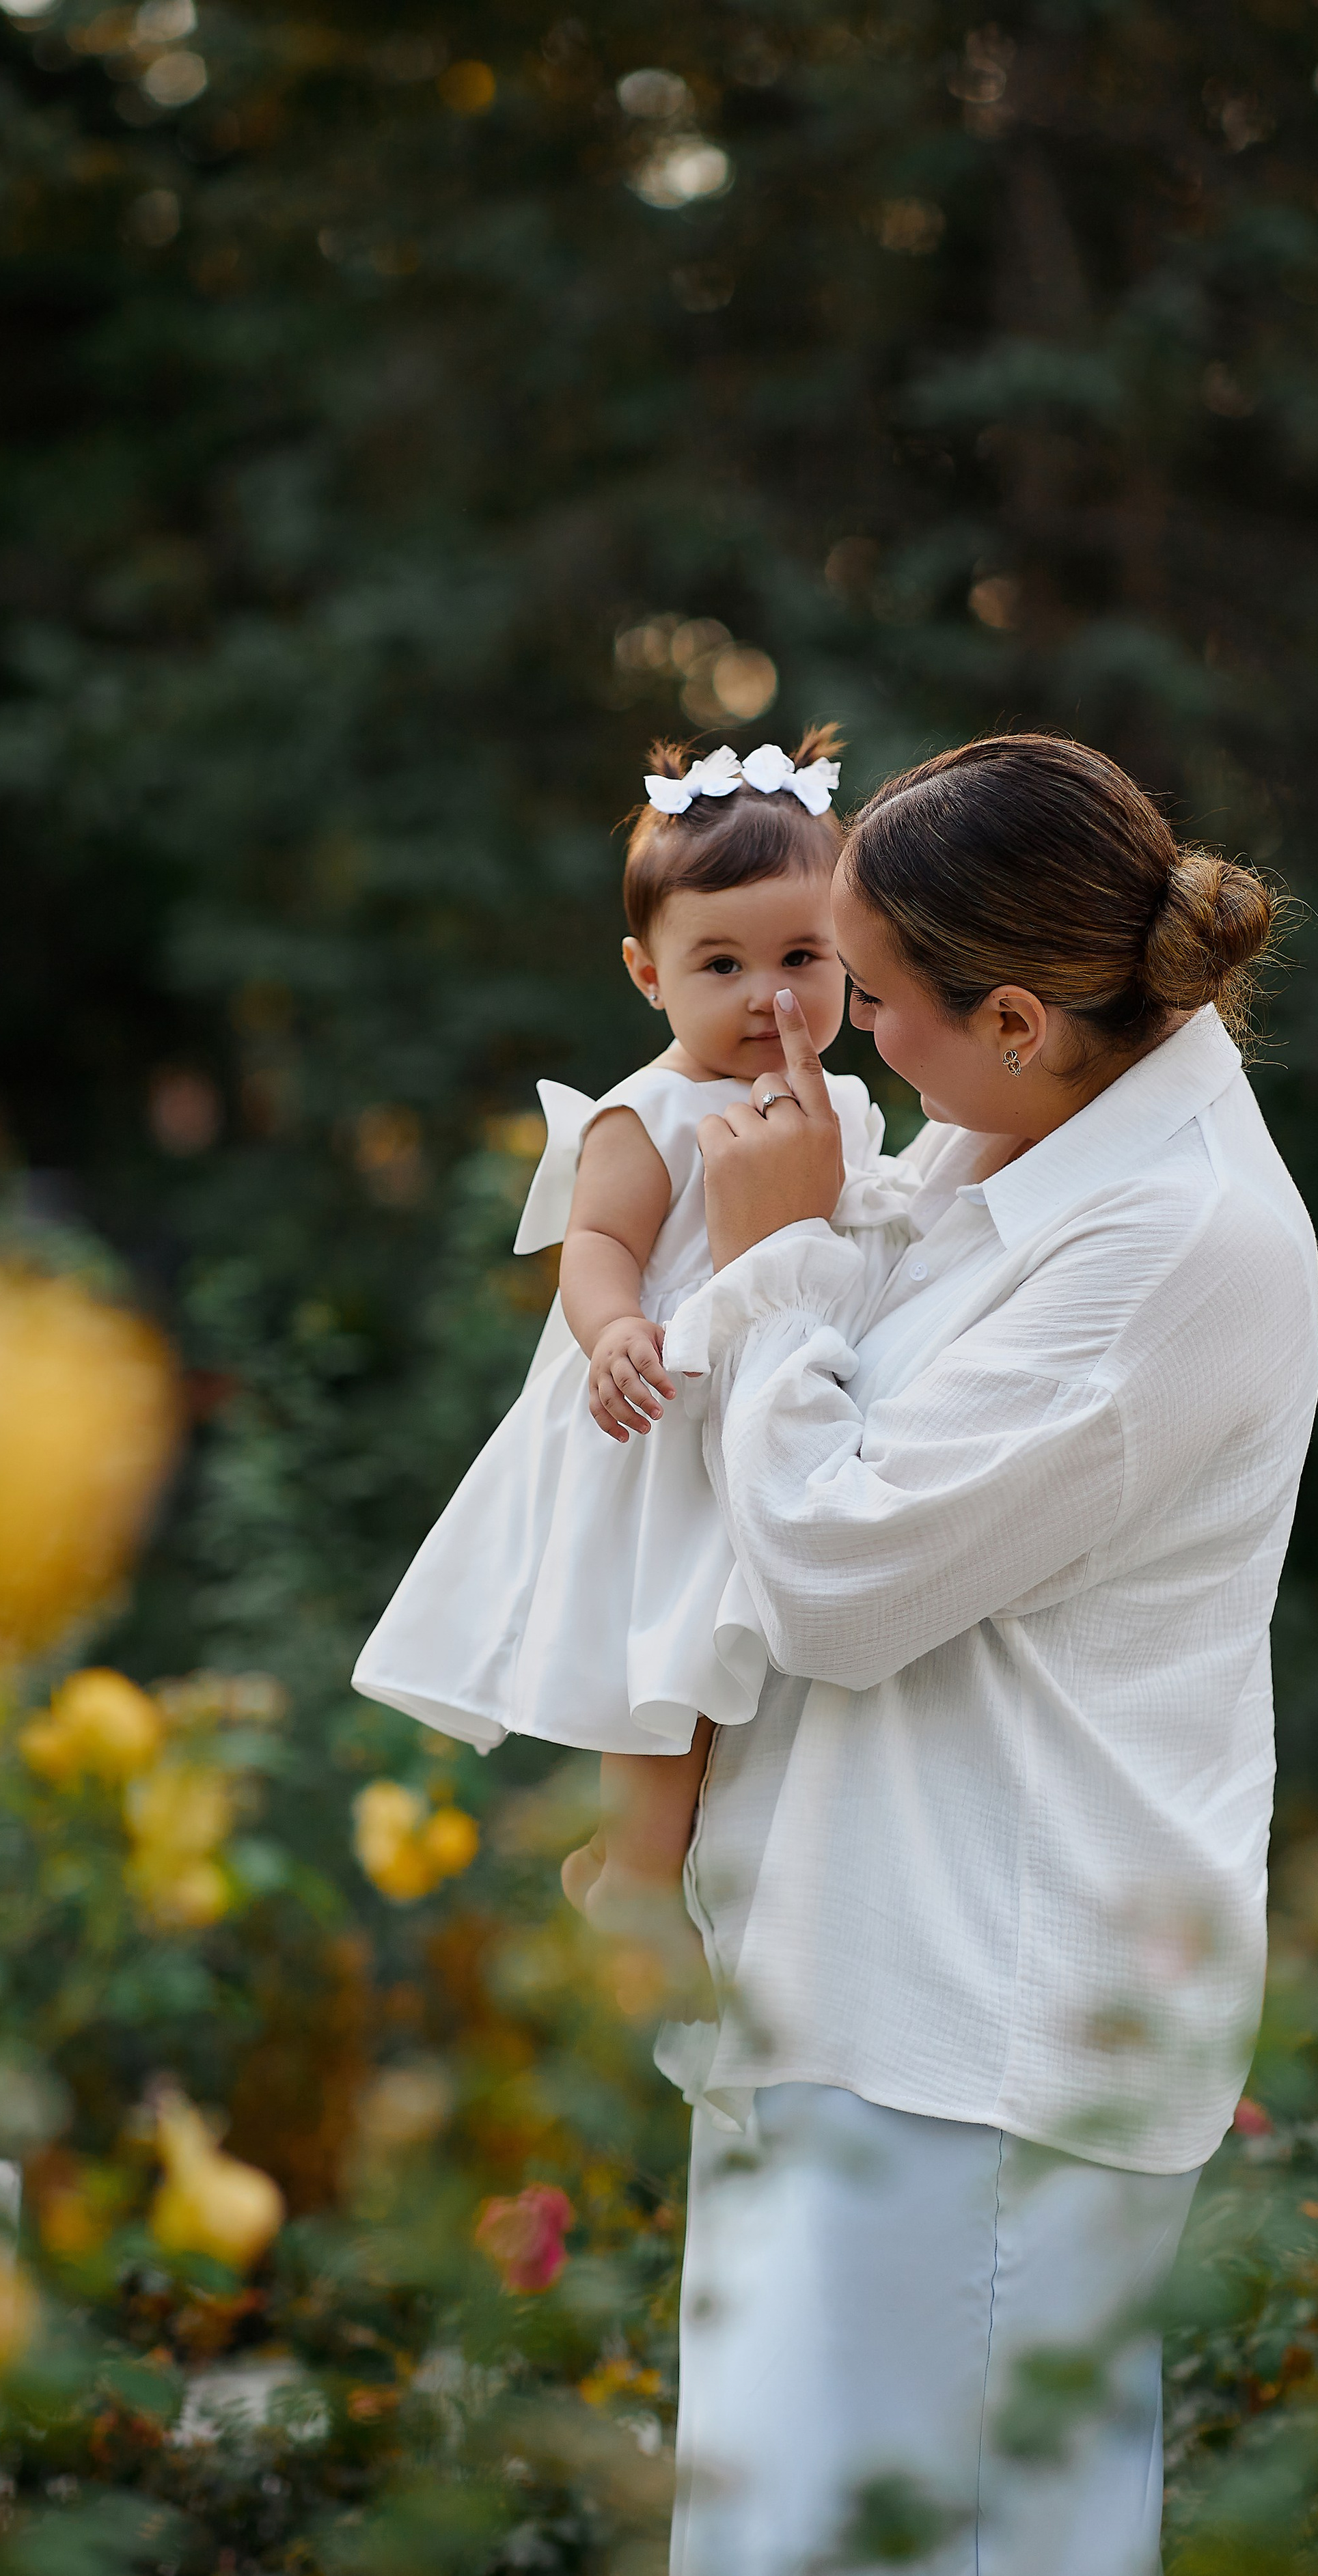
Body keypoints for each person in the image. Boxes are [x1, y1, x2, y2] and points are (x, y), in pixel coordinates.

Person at [652, 733, 1318, 2576]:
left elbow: (844, 1581)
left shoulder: (1179, 1242)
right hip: (853, 1986)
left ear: (1018, 1015)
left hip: (984, 2029)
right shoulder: (1016, 1129)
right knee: (786, 2569)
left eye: (869, 1000)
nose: (838, 1033)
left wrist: (781, 1271)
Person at [351, 727, 894, 1924]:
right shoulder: (645, 1114)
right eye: (720, 966)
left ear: (854, 958)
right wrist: (610, 1335)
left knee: (753, 1674)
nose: (769, 995)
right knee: (673, 1671)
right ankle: (632, 1884)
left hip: (802, 1407)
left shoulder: (844, 1103)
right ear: (649, 976)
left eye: (803, 956)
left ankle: (684, 1872)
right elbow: (596, 1248)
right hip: (677, 1420)